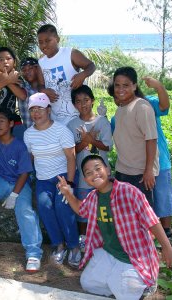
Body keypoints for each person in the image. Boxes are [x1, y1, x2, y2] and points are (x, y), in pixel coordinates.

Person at [57, 154, 172, 299]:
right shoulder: (93, 197)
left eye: (97, 168)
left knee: (125, 292)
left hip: (134, 256)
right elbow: (81, 209)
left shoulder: (128, 191)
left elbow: (151, 220)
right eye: (88, 173)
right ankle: (121, 279)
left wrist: (167, 246)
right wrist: (68, 193)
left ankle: (145, 283)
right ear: (87, 180)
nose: (94, 174)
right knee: (88, 283)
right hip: (110, 252)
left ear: (107, 170)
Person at [0, 107, 43, 272]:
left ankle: (33, 252)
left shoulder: (19, 146)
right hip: (0, 179)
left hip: (20, 181)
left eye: (1, 121)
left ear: (11, 123)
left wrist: (14, 194)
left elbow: (25, 172)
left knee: (24, 208)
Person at [110, 76, 172, 245]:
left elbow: (165, 106)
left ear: (134, 87)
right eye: (116, 93)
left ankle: (166, 233)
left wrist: (159, 86)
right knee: (147, 202)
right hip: (135, 166)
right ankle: (149, 235)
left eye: (125, 86)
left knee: (162, 197)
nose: (120, 94)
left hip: (157, 160)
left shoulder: (146, 103)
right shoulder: (117, 116)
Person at [23, 92, 81, 267]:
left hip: (63, 177)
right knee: (44, 207)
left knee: (63, 207)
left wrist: (69, 185)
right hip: (42, 179)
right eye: (32, 109)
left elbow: (71, 158)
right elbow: (31, 158)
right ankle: (59, 245)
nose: (36, 113)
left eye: (40, 108)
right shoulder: (28, 134)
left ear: (48, 110)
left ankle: (74, 246)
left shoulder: (61, 130)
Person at [67, 85, 113, 250]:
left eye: (86, 100)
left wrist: (91, 140)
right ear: (74, 105)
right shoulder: (72, 125)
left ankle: (105, 239)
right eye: (78, 101)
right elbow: (72, 150)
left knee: (105, 206)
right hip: (82, 175)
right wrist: (86, 141)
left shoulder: (102, 122)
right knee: (83, 208)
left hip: (102, 174)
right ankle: (83, 239)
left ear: (92, 101)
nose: (83, 104)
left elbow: (108, 147)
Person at [111, 66, 159, 205]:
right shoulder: (120, 108)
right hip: (122, 170)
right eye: (117, 85)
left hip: (140, 174)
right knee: (126, 215)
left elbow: (151, 139)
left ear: (134, 86)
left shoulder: (141, 107)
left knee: (144, 217)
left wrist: (148, 171)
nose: (120, 89)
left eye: (125, 85)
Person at [36, 24, 96, 125]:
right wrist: (44, 91)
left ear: (57, 39)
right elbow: (40, 84)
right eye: (40, 42)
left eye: (48, 41)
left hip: (78, 116)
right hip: (56, 119)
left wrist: (83, 75)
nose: (44, 45)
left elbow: (91, 66)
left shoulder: (70, 54)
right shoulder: (41, 62)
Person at [19, 57, 40, 129]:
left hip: (47, 135)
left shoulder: (48, 86)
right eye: (24, 70)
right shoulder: (21, 87)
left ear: (38, 69)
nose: (27, 72)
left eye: (30, 68)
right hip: (28, 134)